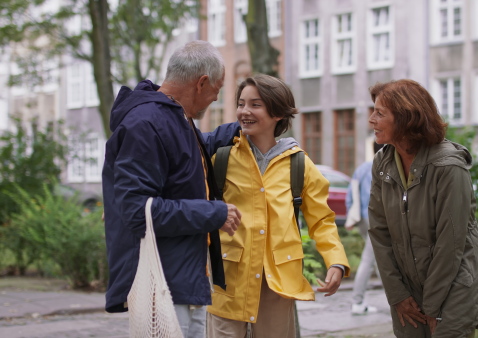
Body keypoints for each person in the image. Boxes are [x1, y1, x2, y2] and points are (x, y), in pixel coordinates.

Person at [102, 40, 242, 338]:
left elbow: (187, 158)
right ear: (201, 83)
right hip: (163, 285)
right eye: (216, 90)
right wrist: (213, 212)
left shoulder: (174, 117)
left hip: (183, 279)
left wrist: (240, 126)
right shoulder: (146, 124)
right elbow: (138, 212)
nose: (215, 100)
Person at [206, 74, 350, 338]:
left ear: (278, 114)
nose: (244, 111)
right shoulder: (222, 158)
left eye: (255, 104)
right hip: (228, 281)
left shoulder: (299, 164)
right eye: (241, 103)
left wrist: (336, 262)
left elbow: (322, 221)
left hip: (278, 284)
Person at [367, 79, 478, 337]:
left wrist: (433, 307)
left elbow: (450, 242)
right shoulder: (383, 163)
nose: (371, 120)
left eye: (380, 113)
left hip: (453, 288)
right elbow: (379, 232)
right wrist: (397, 294)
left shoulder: (448, 166)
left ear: (406, 118)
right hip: (408, 291)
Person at [345, 142, 383, 315]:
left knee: (378, 259)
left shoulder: (362, 169)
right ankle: (357, 302)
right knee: (369, 260)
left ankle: (396, 299)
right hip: (377, 219)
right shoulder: (386, 166)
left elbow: (350, 194)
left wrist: (350, 217)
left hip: (362, 218)